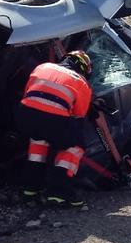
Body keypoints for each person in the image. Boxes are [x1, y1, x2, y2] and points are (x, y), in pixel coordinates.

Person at [16, 51, 94, 206]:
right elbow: (78, 115)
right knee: (75, 146)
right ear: (83, 68)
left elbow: (29, 94)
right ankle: (60, 192)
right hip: (53, 118)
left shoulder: (43, 67)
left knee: (38, 140)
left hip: (24, 115)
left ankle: (30, 189)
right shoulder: (81, 81)